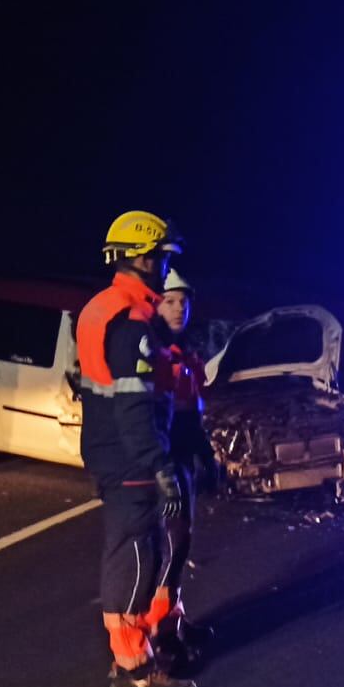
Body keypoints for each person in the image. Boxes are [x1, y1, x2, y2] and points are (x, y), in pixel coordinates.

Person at [76, 210, 197, 687]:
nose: (167, 269)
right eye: (163, 258)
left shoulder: (106, 307)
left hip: (115, 455)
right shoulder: (130, 322)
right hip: (130, 460)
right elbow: (132, 407)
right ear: (143, 258)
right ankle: (133, 669)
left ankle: (134, 657)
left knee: (136, 552)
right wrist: (160, 465)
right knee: (136, 557)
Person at [149, 267, 213, 666]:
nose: (177, 308)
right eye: (169, 301)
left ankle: (172, 621)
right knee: (168, 551)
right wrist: (166, 475)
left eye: (183, 302)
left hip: (183, 463)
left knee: (182, 542)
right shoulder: (154, 355)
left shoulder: (186, 352)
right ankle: (158, 636)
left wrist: (207, 457)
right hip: (165, 467)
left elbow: (193, 414)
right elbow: (152, 424)